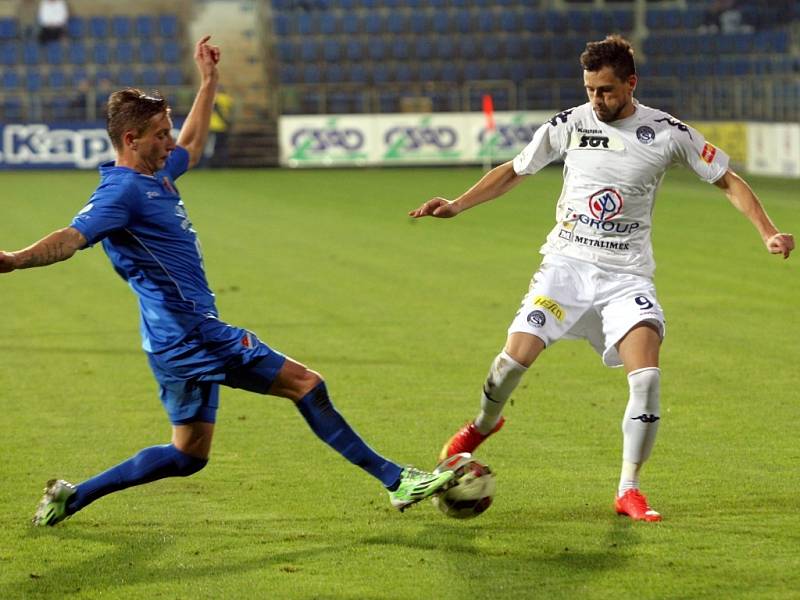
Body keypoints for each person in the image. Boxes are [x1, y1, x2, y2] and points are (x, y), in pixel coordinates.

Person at [0, 36, 453, 527]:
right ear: (131, 140)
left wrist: (210, 81)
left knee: (188, 455)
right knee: (306, 384)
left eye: (168, 131)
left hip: (165, 340)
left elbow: (192, 147)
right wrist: (14, 260)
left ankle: (73, 496)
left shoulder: (156, 174)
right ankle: (397, 480)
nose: (170, 142)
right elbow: (71, 238)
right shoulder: (122, 193)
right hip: (194, 332)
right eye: (160, 135)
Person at [409, 35, 794, 522]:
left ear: (632, 83)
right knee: (511, 362)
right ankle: (483, 425)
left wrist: (767, 232)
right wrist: (457, 204)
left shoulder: (668, 132)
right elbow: (515, 170)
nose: (597, 100)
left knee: (648, 378)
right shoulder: (570, 123)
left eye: (607, 90)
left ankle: (628, 488)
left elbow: (727, 181)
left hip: (626, 277)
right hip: (565, 270)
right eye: (591, 89)